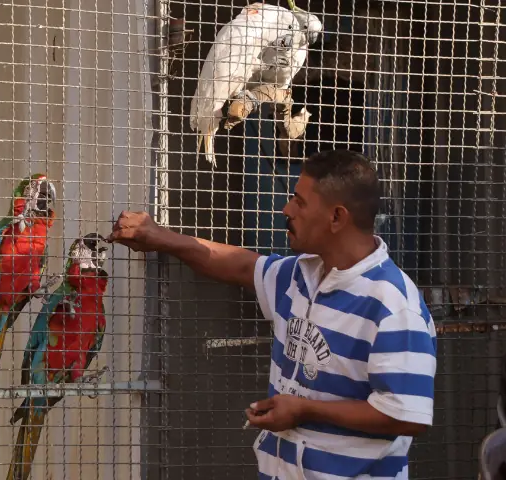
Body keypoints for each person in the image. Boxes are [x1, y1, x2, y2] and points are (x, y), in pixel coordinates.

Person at [108, 150, 437, 479]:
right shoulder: (301, 275)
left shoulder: (392, 304)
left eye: (300, 202)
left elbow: (406, 414)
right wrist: (161, 237)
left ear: (337, 217)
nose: (287, 209)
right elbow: (241, 265)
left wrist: (304, 410)